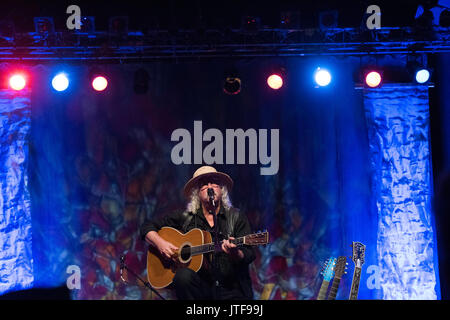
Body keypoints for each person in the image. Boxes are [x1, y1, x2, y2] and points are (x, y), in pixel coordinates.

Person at [140, 166, 256, 300]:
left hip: (230, 288)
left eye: (214, 182)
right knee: (183, 276)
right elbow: (146, 226)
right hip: (199, 288)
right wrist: (160, 243)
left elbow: (249, 253)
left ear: (221, 189)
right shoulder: (185, 217)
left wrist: (236, 253)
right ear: (197, 192)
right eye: (204, 184)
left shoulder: (236, 217)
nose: (209, 186)